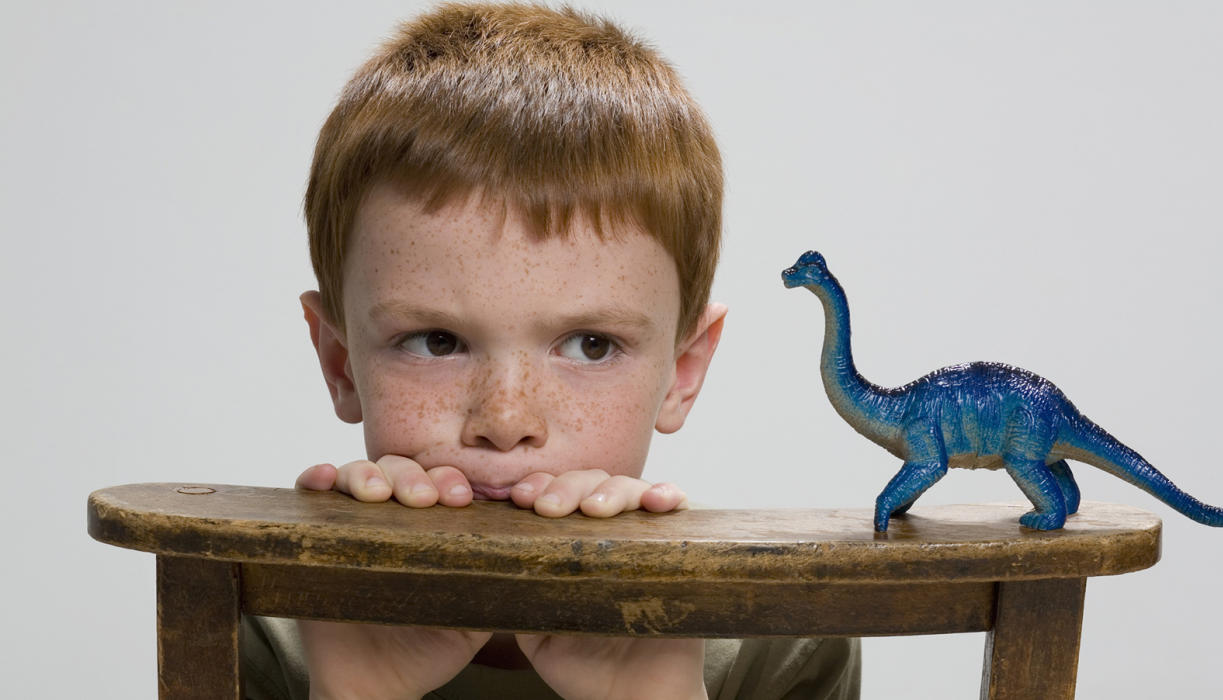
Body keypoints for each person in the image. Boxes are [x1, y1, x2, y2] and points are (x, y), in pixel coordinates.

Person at [242, 3, 860, 698]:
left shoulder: (783, 638)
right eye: (436, 341)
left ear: (683, 373)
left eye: (592, 345)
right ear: (340, 362)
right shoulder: (255, 625)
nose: (506, 421)